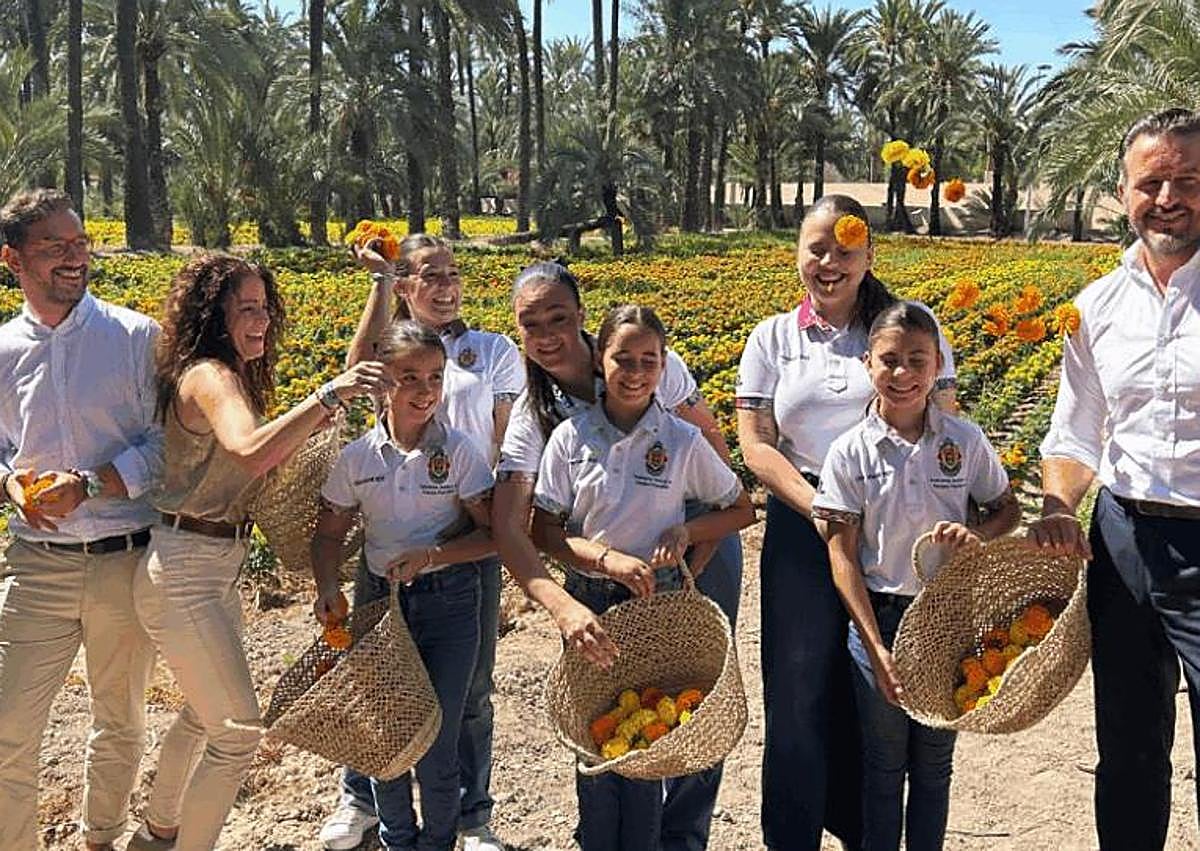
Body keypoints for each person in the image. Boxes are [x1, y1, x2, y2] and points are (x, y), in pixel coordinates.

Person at [127, 254, 391, 851]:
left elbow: (356, 375)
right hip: (185, 567)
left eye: (266, 309)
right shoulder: (209, 376)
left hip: (209, 567)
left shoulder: (231, 376)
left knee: (203, 715)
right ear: (212, 315)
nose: (262, 321)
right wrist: (327, 395)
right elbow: (250, 449)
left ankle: (157, 833)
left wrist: (383, 284)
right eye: (246, 309)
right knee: (239, 732)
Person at [493, 261, 745, 849]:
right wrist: (562, 603)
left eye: (559, 317)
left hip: (688, 550)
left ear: (583, 318)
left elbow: (706, 443)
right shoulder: (538, 416)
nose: (548, 335)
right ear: (517, 331)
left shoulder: (645, 353)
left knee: (694, 704)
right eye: (532, 325)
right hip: (601, 580)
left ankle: (681, 837)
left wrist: (698, 540)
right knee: (612, 715)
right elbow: (520, 526)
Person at [735, 194, 957, 851]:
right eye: (817, 248)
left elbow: (947, 426)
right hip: (803, 533)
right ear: (797, 254)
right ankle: (793, 837)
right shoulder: (772, 338)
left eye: (845, 248)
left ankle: (867, 833)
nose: (830, 261)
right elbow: (756, 444)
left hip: (893, 534)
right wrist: (821, 505)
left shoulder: (909, 328)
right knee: (798, 690)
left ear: (869, 256)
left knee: (877, 684)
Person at [1032, 107, 1200, 850]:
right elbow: (1075, 428)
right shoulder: (1097, 305)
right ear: (1123, 191)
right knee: (1128, 752)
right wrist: (1059, 502)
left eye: (1188, 180)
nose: (1168, 198)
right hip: (1125, 540)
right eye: (1151, 181)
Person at [321, 233, 522, 851]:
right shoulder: (387, 351)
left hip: (463, 530)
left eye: (452, 272)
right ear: (404, 285)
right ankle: (366, 803)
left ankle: (470, 816)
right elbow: (359, 378)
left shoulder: (491, 350)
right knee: (381, 693)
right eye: (428, 275)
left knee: (467, 690)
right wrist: (379, 285)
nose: (446, 284)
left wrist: (482, 519)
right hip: (388, 539)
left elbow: (503, 439)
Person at [812, 302, 1019, 850]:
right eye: (890, 360)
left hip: (948, 621)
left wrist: (979, 537)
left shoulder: (963, 441)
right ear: (867, 363)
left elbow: (1005, 508)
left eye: (917, 360)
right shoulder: (850, 453)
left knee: (933, 763)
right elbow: (843, 559)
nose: (902, 374)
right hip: (879, 621)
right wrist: (874, 645)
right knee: (881, 767)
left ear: (937, 366)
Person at [0, 189, 161, 851]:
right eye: (54, 246)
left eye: (80, 242)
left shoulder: (134, 336)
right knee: (8, 729)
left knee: (119, 720)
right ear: (12, 259)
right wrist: (11, 482)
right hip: (36, 563)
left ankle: (101, 839)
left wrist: (93, 482)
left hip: (126, 559)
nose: (75, 256)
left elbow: (166, 444)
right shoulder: (3, 348)